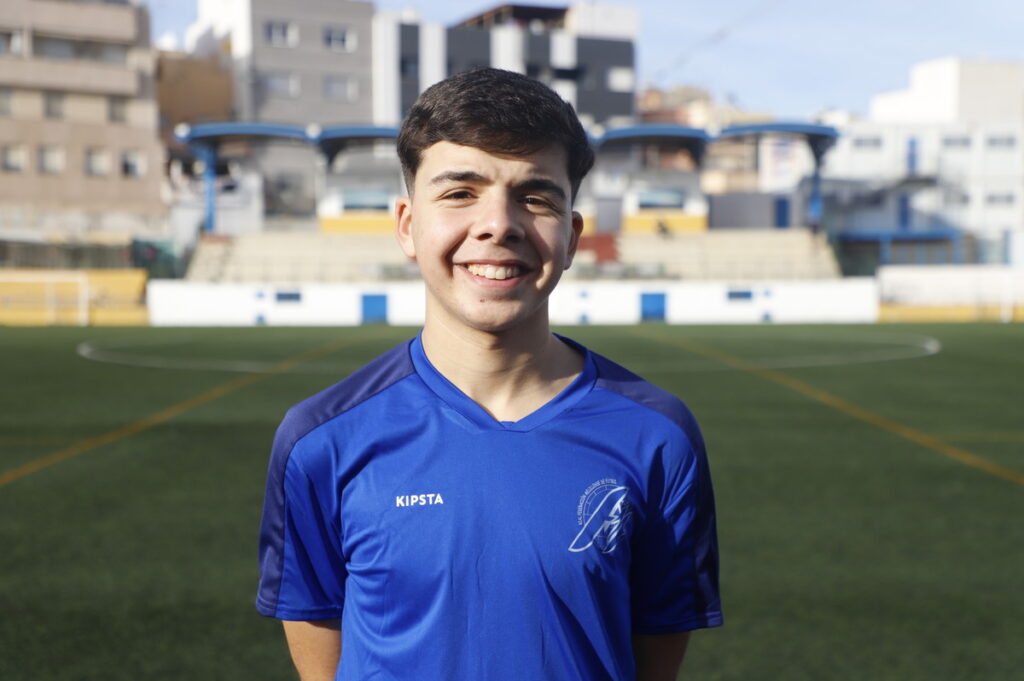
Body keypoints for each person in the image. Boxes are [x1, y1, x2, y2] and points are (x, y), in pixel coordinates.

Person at [256, 67, 722, 681]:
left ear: (573, 235)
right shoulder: (320, 440)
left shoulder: (657, 434)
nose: (498, 224)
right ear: (406, 225)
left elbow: (655, 649)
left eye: (535, 196)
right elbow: (320, 652)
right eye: (459, 192)